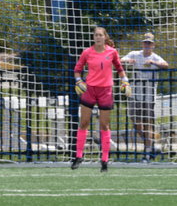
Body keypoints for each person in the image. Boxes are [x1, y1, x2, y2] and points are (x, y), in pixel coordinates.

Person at [71, 27, 130, 172]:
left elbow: (119, 68)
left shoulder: (112, 52)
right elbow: (77, 70)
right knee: (84, 122)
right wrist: (78, 81)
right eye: (96, 35)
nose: (98, 37)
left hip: (106, 91)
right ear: (93, 37)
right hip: (90, 90)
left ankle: (104, 159)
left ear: (105, 37)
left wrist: (125, 81)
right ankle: (78, 156)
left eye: (100, 35)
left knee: (104, 125)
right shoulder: (87, 52)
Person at [121, 32, 169, 161]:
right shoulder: (135, 54)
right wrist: (128, 61)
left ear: (153, 45)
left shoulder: (155, 57)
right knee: (135, 120)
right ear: (142, 44)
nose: (147, 45)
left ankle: (147, 152)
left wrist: (153, 62)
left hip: (149, 94)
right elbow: (120, 60)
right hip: (135, 93)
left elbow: (166, 65)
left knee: (148, 123)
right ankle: (151, 144)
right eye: (145, 43)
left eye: (149, 43)